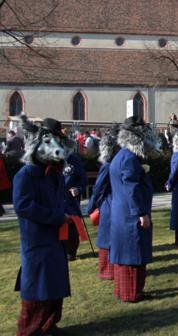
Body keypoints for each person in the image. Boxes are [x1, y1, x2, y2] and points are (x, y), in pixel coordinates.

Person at [13, 116, 71, 335]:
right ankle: (31, 329)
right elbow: (23, 206)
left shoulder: (53, 174)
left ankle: (49, 325)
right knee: (38, 286)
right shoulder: (26, 175)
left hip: (55, 238)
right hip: (37, 239)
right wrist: (55, 217)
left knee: (54, 283)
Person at [109, 116, 157, 302]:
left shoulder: (122, 155)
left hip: (123, 213)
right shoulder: (128, 158)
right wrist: (141, 213)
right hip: (130, 215)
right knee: (133, 255)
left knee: (128, 255)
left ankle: (127, 291)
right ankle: (131, 293)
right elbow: (131, 188)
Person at [86, 125, 120, 280]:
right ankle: (107, 271)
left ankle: (111, 270)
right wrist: (93, 206)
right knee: (107, 239)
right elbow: (99, 187)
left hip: (111, 203)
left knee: (110, 238)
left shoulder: (111, 163)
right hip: (108, 203)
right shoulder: (109, 165)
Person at [63, 139, 88, 261]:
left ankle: (71, 252)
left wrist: (78, 189)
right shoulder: (50, 160)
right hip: (57, 199)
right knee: (60, 224)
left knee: (72, 226)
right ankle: (62, 249)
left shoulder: (74, 160)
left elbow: (83, 179)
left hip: (71, 199)